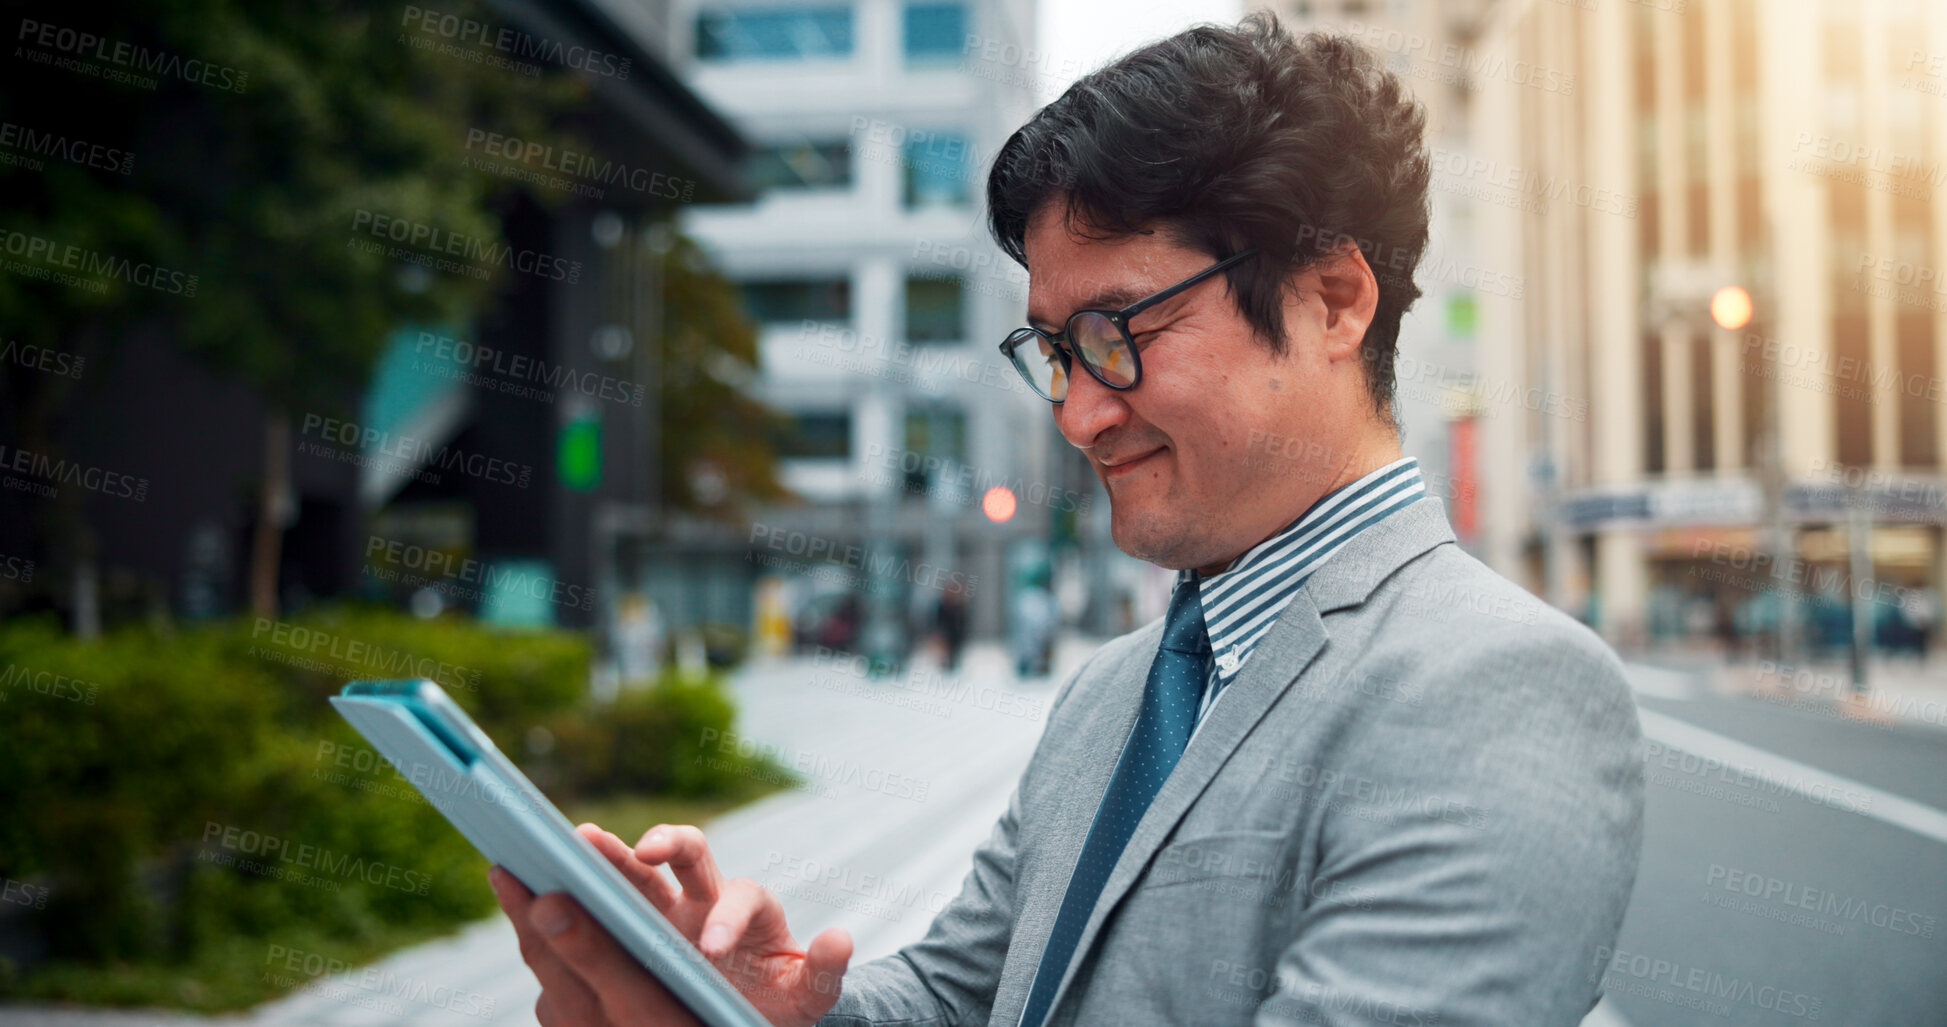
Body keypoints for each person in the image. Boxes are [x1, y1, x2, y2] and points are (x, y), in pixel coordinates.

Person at [490, 16, 1644, 1026]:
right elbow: (965, 992)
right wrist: (770, 1007)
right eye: (1054, 351)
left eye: (1118, 330)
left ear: (1333, 300)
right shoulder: (1117, 690)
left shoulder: (1497, 686)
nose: (1080, 412)